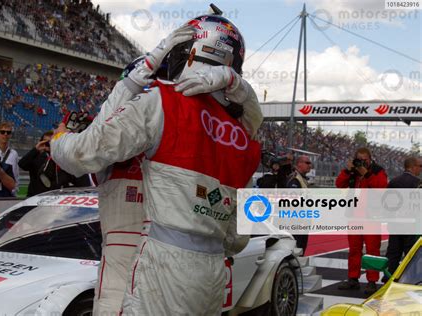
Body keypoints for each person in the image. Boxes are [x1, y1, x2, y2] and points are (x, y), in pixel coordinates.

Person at [52, 16, 262, 315]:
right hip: (209, 274)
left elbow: (85, 148)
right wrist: (238, 87)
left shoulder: (160, 104)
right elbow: (237, 239)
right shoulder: (242, 137)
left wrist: (59, 138)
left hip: (147, 273)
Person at [335, 147, 388, 294]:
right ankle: (353, 279)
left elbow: (381, 187)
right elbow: (339, 184)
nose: (362, 162)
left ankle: (372, 281)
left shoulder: (378, 171)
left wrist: (367, 174)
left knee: (372, 250)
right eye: (359, 159)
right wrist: (347, 170)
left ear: (370, 159)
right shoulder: (352, 172)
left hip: (371, 217)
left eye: (365, 160)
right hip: (354, 216)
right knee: (354, 250)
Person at [18, 131, 91, 197]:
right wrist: (36, 149)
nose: (49, 145)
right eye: (46, 143)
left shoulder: (66, 161)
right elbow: (22, 164)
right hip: (36, 199)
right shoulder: (36, 157)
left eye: (51, 142)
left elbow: (84, 185)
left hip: (59, 202)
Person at [384, 157, 421, 280]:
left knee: (393, 253)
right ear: (412, 167)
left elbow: (386, 204)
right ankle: (409, 280)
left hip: (395, 224)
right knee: (411, 255)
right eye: (420, 166)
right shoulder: (418, 183)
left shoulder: (393, 182)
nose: (420, 169)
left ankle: (388, 278)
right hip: (412, 225)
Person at [286, 155, 312, 254]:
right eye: (307, 163)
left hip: (302, 221)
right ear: (299, 164)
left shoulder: (302, 179)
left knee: (301, 249)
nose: (310, 165)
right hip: (296, 222)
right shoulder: (295, 179)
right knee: (297, 251)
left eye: (310, 163)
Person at [0, 122, 19, 196]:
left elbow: (15, 175)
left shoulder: (14, 153)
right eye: (2, 132)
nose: (5, 134)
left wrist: (14, 193)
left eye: (8, 132)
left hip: (7, 192)